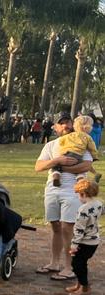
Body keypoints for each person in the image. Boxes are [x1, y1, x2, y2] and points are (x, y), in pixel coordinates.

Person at [35, 113, 93, 281]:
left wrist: (61, 169)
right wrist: (57, 161)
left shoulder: (81, 143)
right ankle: (54, 263)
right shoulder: (51, 145)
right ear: (55, 126)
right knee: (55, 227)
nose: (66, 126)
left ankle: (70, 267)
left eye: (68, 122)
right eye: (62, 123)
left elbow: (87, 165)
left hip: (73, 190)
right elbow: (38, 166)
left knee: (68, 228)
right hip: (52, 190)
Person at [65, 179, 102, 295]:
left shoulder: (83, 210)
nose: (78, 198)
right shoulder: (99, 203)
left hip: (84, 242)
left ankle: (85, 288)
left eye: (78, 195)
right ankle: (80, 284)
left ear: (83, 194)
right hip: (94, 241)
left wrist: (74, 246)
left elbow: (79, 230)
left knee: (77, 265)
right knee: (82, 263)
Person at [51, 115, 101, 185]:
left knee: (55, 167)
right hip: (78, 156)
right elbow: (92, 148)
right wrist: (94, 157)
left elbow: (61, 142)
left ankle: (56, 177)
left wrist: (62, 152)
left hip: (66, 154)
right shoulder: (87, 137)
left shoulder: (69, 135)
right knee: (80, 171)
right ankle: (80, 181)